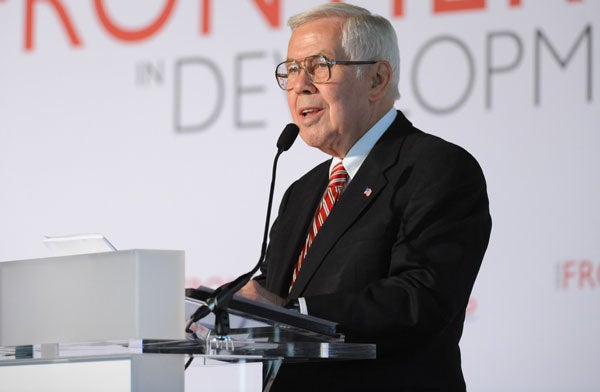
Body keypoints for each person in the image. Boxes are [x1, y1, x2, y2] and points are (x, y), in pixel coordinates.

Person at [237, 3, 491, 391]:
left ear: (376, 79)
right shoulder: (302, 193)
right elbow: (273, 302)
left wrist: (294, 313)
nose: (300, 84)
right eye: (291, 69)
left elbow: (418, 300)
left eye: (319, 65)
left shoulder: (437, 168)